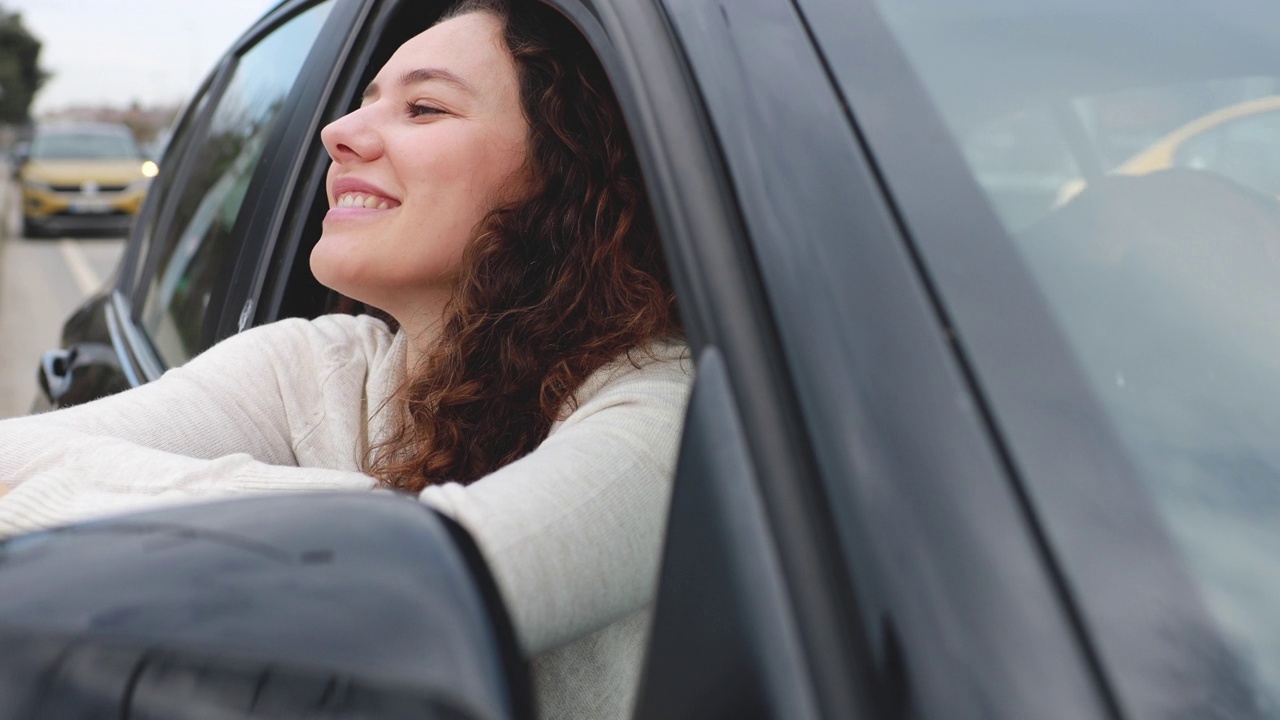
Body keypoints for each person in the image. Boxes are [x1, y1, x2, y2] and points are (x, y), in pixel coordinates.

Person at [0, 1, 691, 718]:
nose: (337, 132)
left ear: (563, 169)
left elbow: (418, 580)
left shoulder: (658, 407)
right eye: (364, 104)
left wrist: (45, 512)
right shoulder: (322, 362)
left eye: (424, 108)